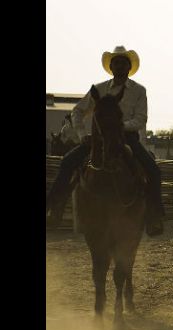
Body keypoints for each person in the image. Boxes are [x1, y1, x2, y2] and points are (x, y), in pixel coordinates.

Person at [46, 46, 165, 236]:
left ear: (129, 67)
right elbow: (77, 111)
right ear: (111, 67)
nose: (119, 66)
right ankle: (54, 209)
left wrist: (119, 127)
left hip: (127, 137)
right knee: (67, 162)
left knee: (153, 169)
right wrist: (81, 134)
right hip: (98, 138)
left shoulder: (139, 91)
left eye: (123, 63)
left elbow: (140, 119)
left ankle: (154, 216)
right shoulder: (99, 89)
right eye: (116, 63)